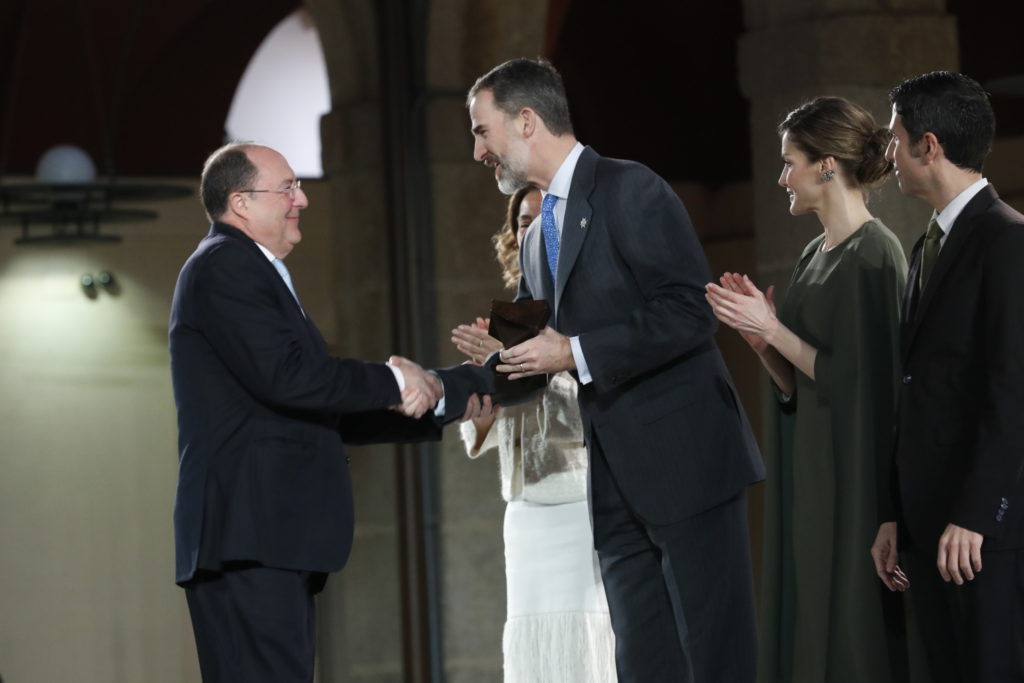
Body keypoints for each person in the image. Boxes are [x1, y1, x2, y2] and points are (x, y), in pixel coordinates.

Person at [466, 58, 765, 682]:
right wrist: (442, 388)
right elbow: (528, 352)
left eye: (482, 131)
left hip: (687, 461)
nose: (477, 151)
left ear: (525, 122)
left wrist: (573, 353)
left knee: (715, 654)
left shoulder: (632, 189)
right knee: (642, 661)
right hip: (611, 480)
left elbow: (689, 311)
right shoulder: (531, 235)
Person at [169, 142, 491, 683]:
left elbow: (314, 405)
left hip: (266, 536)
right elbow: (292, 378)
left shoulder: (250, 269)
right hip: (249, 535)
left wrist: (442, 396)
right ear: (241, 202)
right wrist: (396, 378)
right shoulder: (225, 266)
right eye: (288, 188)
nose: (303, 199)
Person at [705, 97, 909, 682]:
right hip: (813, 464)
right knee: (808, 614)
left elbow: (871, 382)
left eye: (789, 161)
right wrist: (764, 344)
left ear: (826, 165)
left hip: (856, 471)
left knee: (850, 629)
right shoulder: (812, 255)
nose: (780, 177)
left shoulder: (877, 256)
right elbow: (802, 380)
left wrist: (774, 329)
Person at [870, 71, 1024, 683]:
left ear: (928, 146)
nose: (888, 153)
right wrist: (894, 515)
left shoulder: (1008, 240)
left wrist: (977, 513)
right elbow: (913, 391)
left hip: (981, 531)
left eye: (894, 138)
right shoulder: (925, 245)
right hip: (926, 525)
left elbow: (1013, 390)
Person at [452, 185, 616, 682]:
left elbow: (593, 393)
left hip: (574, 499)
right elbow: (496, 420)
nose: (528, 229)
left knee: (584, 639)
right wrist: (484, 392)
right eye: (521, 221)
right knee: (530, 641)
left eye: (540, 219)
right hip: (523, 508)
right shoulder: (512, 315)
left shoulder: (590, 304)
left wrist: (521, 362)